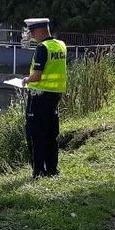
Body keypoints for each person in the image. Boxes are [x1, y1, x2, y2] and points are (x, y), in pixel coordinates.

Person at [21, 18, 67, 179]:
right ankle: (52, 170)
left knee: (35, 134)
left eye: (32, 32)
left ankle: (38, 171)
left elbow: (37, 76)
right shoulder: (60, 45)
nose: (32, 35)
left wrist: (26, 80)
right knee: (51, 134)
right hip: (54, 97)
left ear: (40, 31)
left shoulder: (42, 48)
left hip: (38, 97)